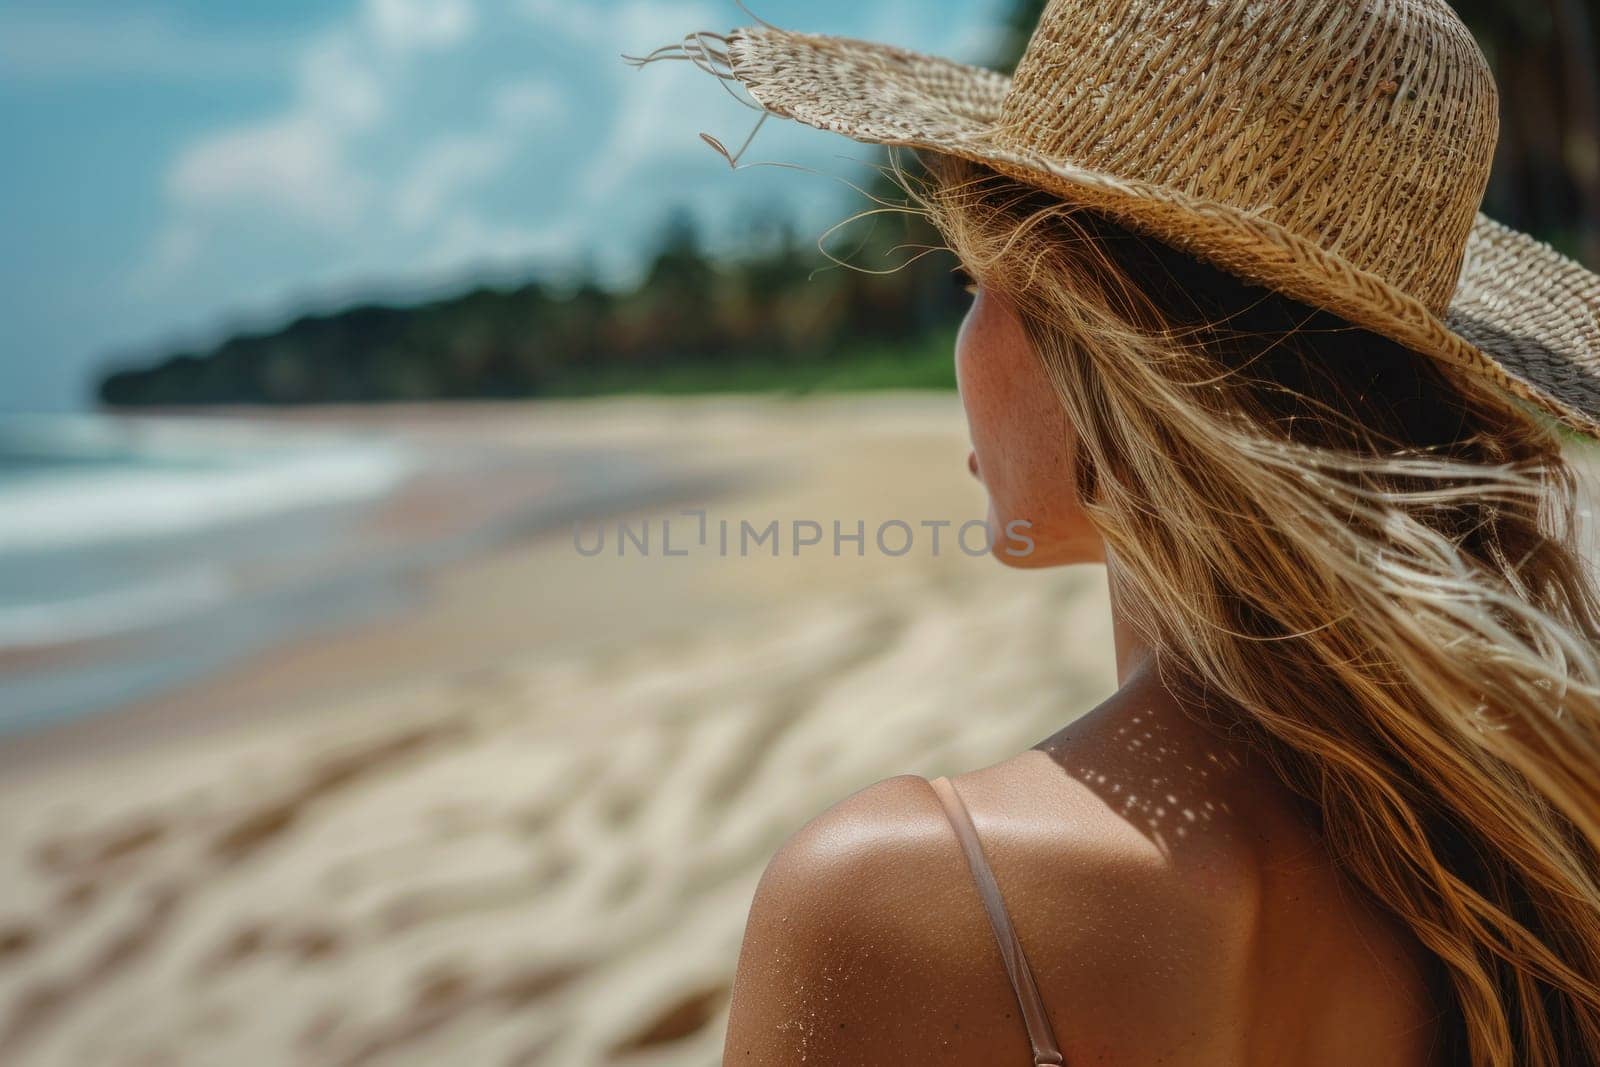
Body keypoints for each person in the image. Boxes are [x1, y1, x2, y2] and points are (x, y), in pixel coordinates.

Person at [641, 0, 1600, 1062]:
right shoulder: (1523, 861)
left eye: (975, 279)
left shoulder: (902, 889)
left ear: (1102, 344)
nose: (965, 337)